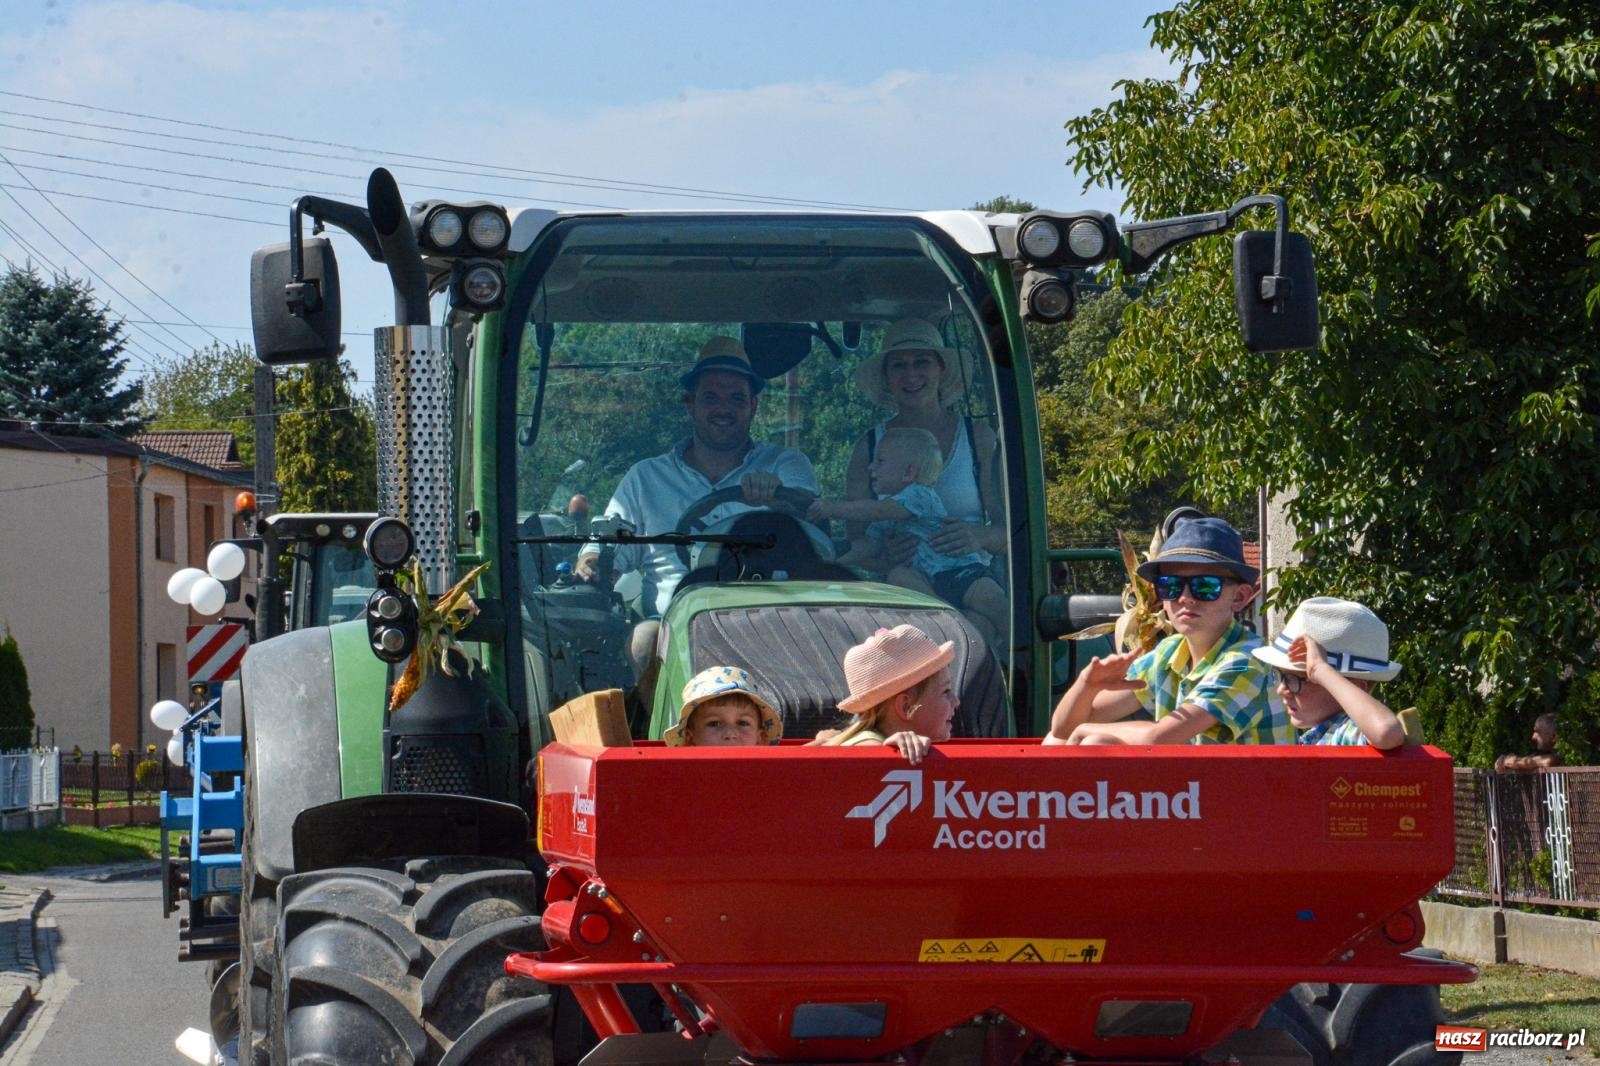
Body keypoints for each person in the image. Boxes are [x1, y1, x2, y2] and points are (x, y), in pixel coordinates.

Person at [574, 336, 818, 675]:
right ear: (689, 404)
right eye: (711, 397)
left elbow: (814, 515)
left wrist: (778, 495)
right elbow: (612, 544)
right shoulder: (646, 477)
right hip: (674, 626)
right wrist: (592, 559)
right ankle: (663, 728)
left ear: (753, 407)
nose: (724, 408)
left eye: (736, 398)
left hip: (769, 619)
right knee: (644, 640)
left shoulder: (785, 465)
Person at [1044, 516, 1290, 745]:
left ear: (1240, 597)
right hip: (1196, 788)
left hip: (1253, 791)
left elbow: (1158, 738)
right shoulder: (1169, 653)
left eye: (1204, 586)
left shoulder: (1247, 661)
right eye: (1170, 586)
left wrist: (1088, 730)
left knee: (1096, 743)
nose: (1185, 598)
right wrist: (1086, 685)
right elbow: (1063, 730)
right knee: (1059, 743)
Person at [809, 427, 1007, 645]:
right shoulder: (889, 511)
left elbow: (878, 510)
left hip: (963, 572)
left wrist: (831, 509)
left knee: (996, 605)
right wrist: (828, 557)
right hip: (930, 583)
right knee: (897, 575)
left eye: (880, 461)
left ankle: (1022, 649)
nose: (871, 467)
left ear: (908, 473)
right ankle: (949, 617)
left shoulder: (918, 495)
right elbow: (869, 545)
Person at [845, 318, 1006, 576]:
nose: (911, 375)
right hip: (902, 592)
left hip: (973, 580)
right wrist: (885, 554)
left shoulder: (978, 439)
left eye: (922, 362)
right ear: (886, 377)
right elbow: (855, 541)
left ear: (941, 369)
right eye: (899, 365)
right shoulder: (868, 447)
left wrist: (979, 536)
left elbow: (1012, 532)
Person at [1251, 597, 1406, 749]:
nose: (1281, 690)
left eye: (1296, 679)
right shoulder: (1319, 735)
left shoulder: (1347, 732)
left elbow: (1386, 732)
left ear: (1357, 687)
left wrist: (1320, 669)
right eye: (1280, 676)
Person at [818, 624, 959, 765]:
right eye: (945, 691)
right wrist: (888, 754)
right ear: (906, 707)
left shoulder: (866, 740)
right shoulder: (870, 747)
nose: (956, 701)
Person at [663, 666, 783, 747]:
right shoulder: (683, 777)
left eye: (743, 723)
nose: (730, 734)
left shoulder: (769, 773)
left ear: (759, 737)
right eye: (714, 723)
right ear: (690, 738)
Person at [1495, 713, 1560, 772]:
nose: (1533, 737)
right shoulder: (1544, 753)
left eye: (1538, 732)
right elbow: (1529, 760)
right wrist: (1504, 760)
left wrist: (1514, 762)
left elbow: (1548, 761)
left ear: (1553, 736)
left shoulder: (1564, 753)